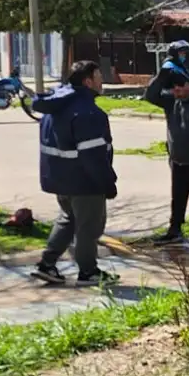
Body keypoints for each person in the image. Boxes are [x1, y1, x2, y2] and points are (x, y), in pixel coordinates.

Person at [29, 59, 120, 286]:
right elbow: (93, 155)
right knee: (89, 226)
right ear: (88, 81)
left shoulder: (56, 105)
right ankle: (88, 271)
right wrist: (107, 182)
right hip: (84, 181)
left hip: (60, 179)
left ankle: (46, 264)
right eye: (99, 77)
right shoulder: (88, 113)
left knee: (68, 219)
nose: (102, 82)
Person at [144, 68, 189, 243]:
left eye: (179, 89)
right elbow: (150, 96)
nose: (176, 93)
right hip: (179, 161)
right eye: (173, 90)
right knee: (178, 199)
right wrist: (160, 77)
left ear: (188, 84)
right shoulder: (171, 101)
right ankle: (175, 230)